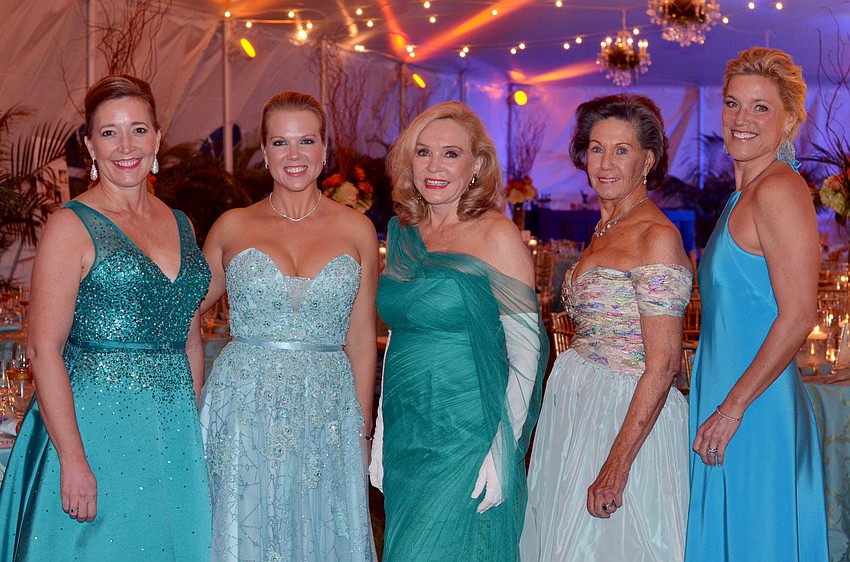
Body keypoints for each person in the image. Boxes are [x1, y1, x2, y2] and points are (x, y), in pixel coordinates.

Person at [0, 75, 212, 560]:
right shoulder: (69, 226)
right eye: (109, 133)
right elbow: (43, 349)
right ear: (91, 145)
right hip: (94, 430)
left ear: (157, 138)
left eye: (138, 130)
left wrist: (190, 427)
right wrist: (72, 459)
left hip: (172, 433)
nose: (126, 146)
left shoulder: (181, 223)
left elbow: (190, 340)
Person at [199, 91, 378, 561]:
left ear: (324, 149)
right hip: (244, 406)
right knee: (247, 525)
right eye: (280, 143)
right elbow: (185, 313)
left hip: (328, 409)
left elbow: (362, 340)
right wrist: (190, 393)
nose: (294, 155)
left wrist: (361, 431)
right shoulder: (232, 226)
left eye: (306, 141)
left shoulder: (357, 229)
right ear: (264, 150)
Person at [369, 101, 548, 561]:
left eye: (450, 154)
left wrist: (502, 446)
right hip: (407, 429)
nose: (434, 166)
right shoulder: (403, 231)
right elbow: (400, 334)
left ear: (476, 166)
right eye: (423, 152)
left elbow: (527, 353)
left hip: (468, 432)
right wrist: (382, 430)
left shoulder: (496, 235)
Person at [520, 94, 693, 561]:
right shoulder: (605, 227)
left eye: (622, 150)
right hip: (579, 407)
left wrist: (617, 466)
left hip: (625, 416)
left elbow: (664, 366)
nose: (606, 163)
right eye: (597, 148)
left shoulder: (656, 237)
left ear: (648, 161)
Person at [685, 47, 828, 561]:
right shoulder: (742, 196)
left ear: (789, 120)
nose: (741, 118)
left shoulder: (779, 191)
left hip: (752, 410)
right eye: (732, 103)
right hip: (730, 400)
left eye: (760, 107)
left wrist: (732, 408)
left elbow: (800, 314)